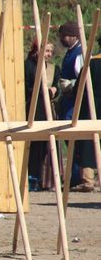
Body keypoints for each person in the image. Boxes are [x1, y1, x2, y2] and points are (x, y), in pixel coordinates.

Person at [57, 21, 96, 192]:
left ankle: (83, 176)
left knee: (76, 137)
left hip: (76, 103)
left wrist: (71, 85)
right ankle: (74, 176)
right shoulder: (70, 52)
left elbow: (85, 78)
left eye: (64, 35)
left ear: (72, 35)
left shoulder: (80, 54)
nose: (62, 39)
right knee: (71, 138)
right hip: (68, 102)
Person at [24, 38, 61, 190]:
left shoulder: (53, 68)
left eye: (51, 51)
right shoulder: (29, 66)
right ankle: (32, 177)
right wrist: (42, 91)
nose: (49, 54)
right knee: (33, 145)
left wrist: (55, 90)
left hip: (48, 110)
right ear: (37, 50)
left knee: (47, 145)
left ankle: (45, 179)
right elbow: (27, 87)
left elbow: (57, 86)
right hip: (33, 108)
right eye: (46, 51)